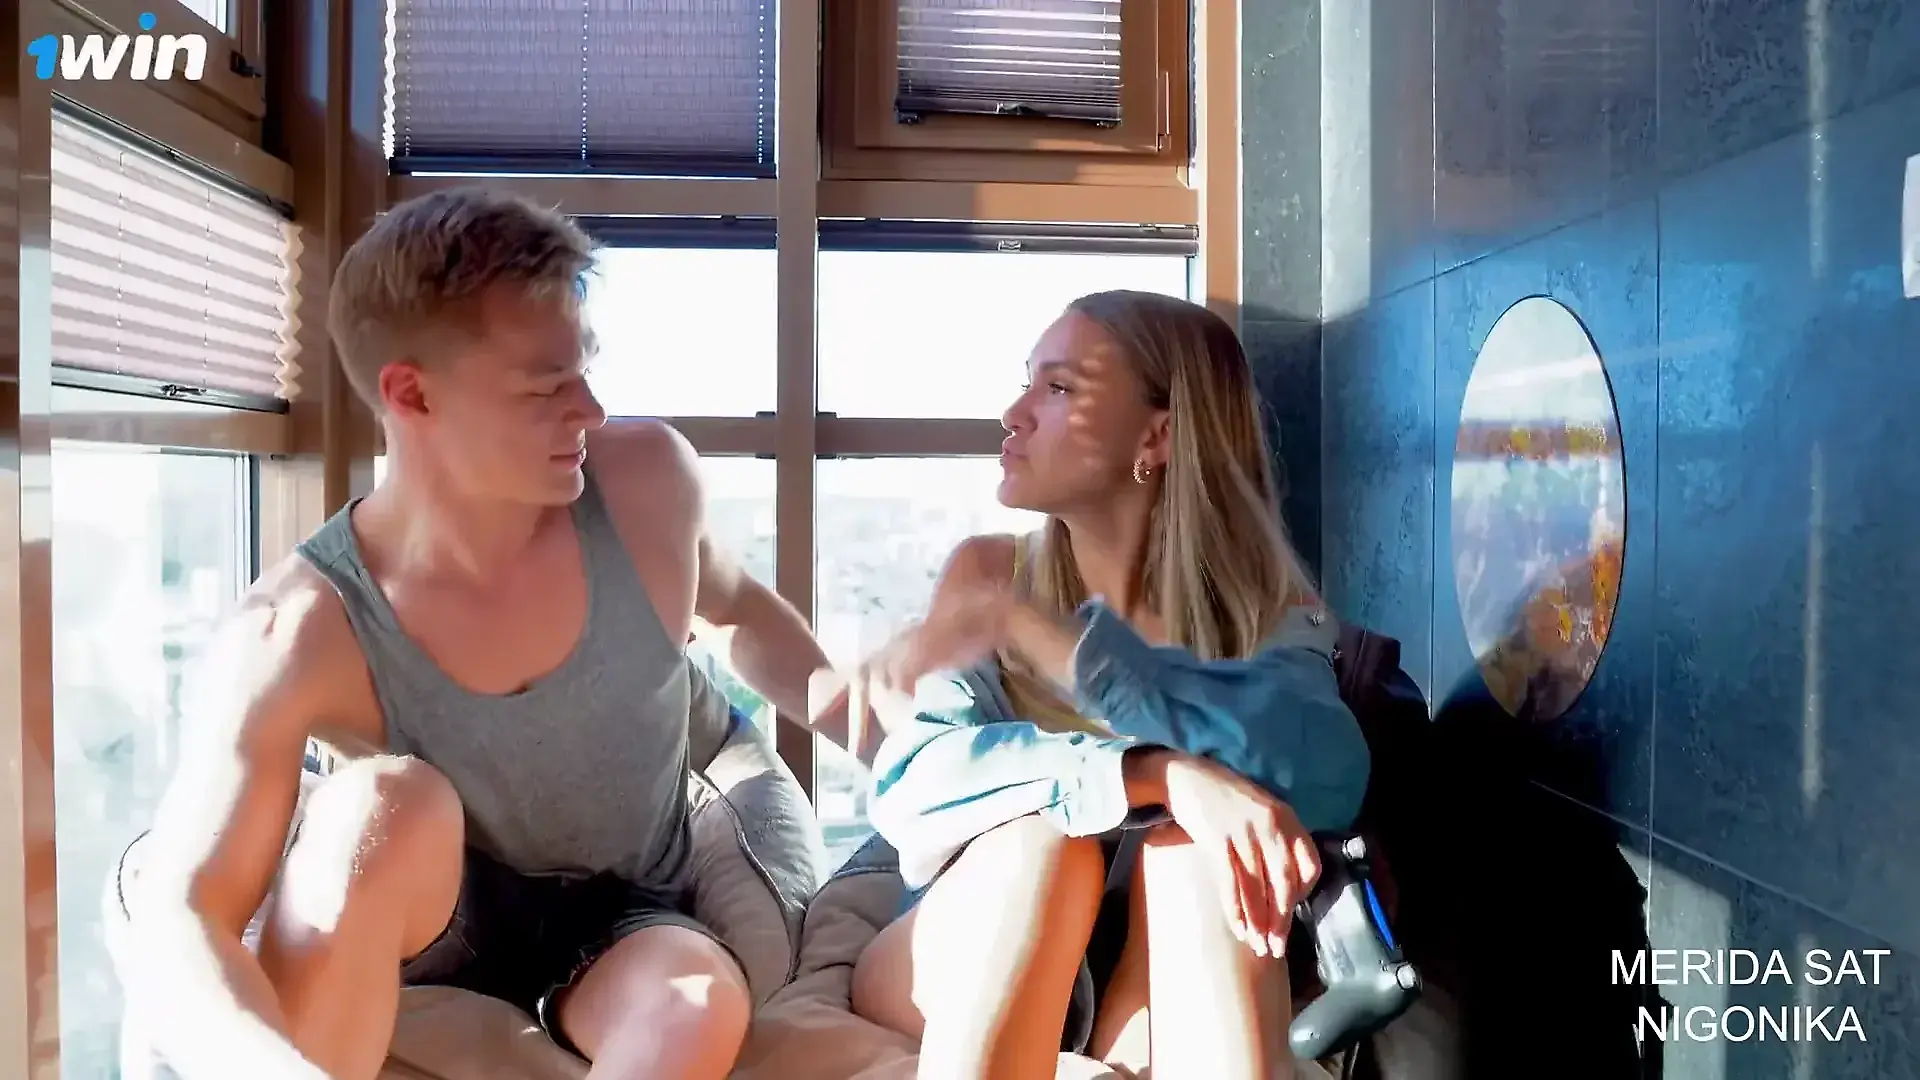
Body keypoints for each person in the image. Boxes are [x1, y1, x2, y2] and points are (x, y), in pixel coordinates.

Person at [116, 187, 854, 1080]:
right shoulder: (296, 629)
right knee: (386, 805)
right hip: (430, 917)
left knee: (697, 1002)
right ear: (411, 393)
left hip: (629, 917)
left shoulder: (645, 487)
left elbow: (739, 615)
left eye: (585, 370)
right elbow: (186, 908)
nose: (589, 409)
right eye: (545, 386)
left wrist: (904, 747)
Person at [841, 291, 1373, 1080]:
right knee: (1044, 849)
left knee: (1196, 854)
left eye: (1058, 387)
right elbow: (913, 784)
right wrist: (1154, 774)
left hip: (1151, 964)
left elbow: (1329, 775)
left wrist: (1073, 655)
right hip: (978, 937)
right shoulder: (993, 574)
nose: (1013, 415)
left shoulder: (1265, 607)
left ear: (1157, 436)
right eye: (1027, 381)